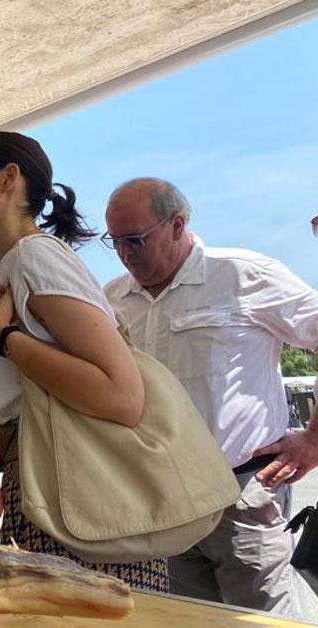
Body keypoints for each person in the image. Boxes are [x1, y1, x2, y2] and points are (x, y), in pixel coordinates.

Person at [0, 131, 168, 591]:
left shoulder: (34, 260)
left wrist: (3, 337)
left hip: (84, 508)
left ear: (8, 179)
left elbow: (122, 396)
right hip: (69, 496)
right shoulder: (25, 261)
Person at [102, 177, 318, 615]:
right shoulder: (113, 299)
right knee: (187, 616)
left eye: (135, 240)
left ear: (177, 224)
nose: (125, 252)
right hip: (160, 496)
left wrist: (313, 441)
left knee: (258, 617)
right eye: (115, 241)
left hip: (243, 490)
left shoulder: (242, 274)